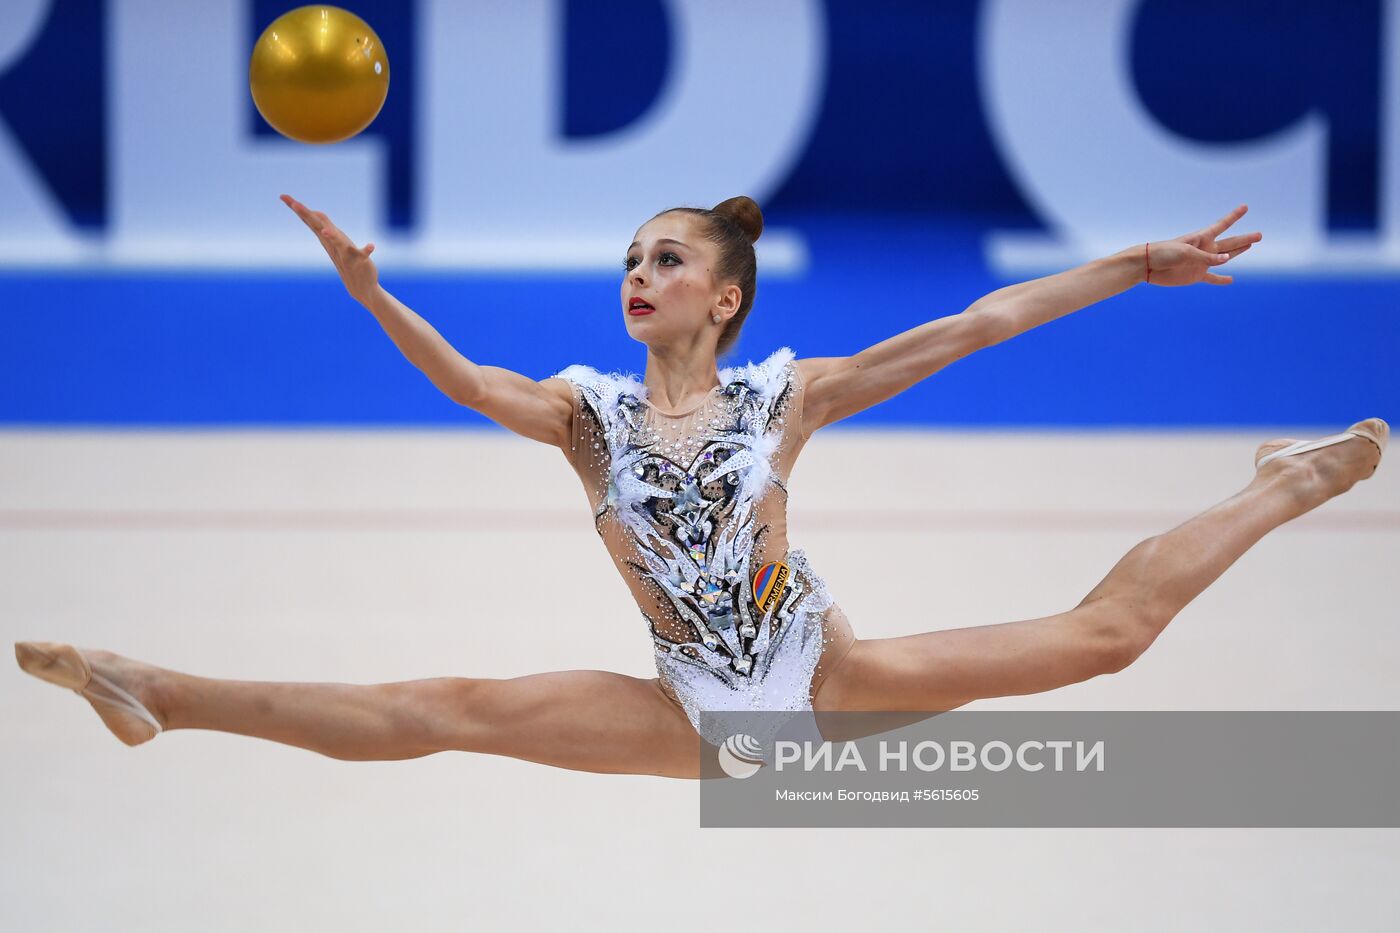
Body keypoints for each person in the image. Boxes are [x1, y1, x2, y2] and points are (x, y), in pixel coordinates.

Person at [15, 196, 1386, 780]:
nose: (639, 273)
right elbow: (461, 380)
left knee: (1110, 637)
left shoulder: (785, 394)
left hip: (830, 685)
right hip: (692, 713)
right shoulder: (584, 414)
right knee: (432, 712)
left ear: (723, 297)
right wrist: (375, 294)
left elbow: (974, 324)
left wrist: (1125, 268)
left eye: (667, 260)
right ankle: (156, 687)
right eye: (630, 256)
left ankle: (1280, 482)